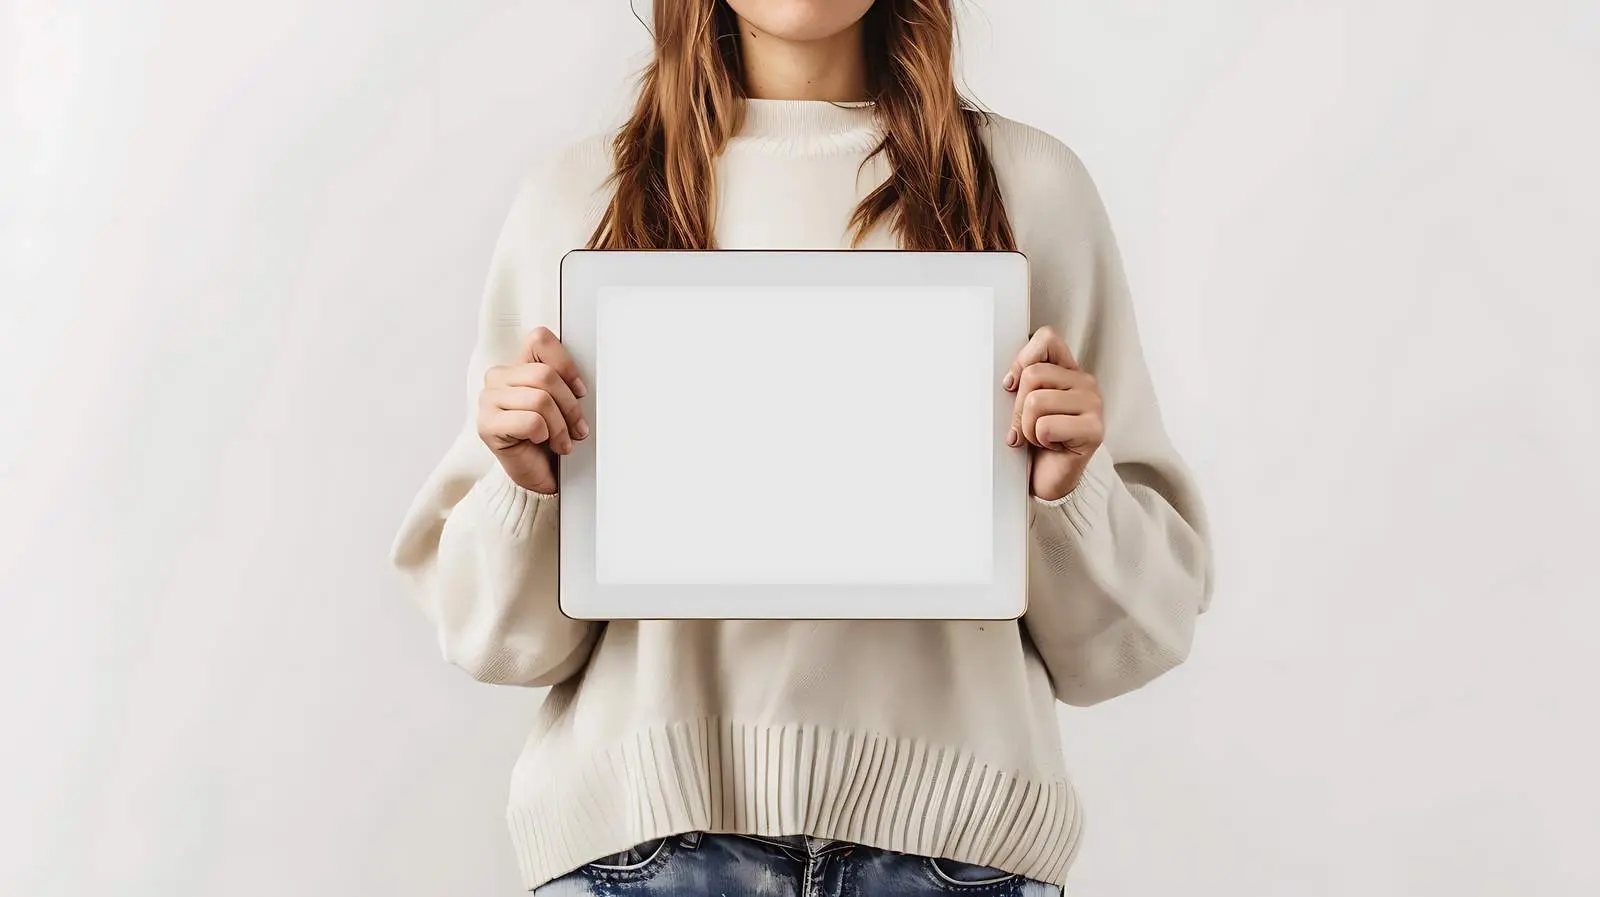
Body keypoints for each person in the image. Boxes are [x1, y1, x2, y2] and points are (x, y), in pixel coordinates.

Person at [389, 1, 1214, 894]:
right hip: (646, 855)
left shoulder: (1027, 189)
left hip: (958, 854)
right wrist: (528, 489)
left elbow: (1132, 641)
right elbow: (495, 640)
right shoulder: (578, 199)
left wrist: (1069, 496)